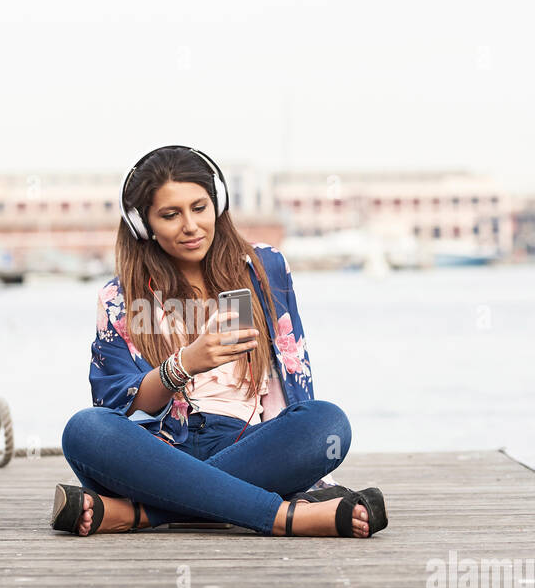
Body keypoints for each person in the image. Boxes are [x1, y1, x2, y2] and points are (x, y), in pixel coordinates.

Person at [54, 145, 388, 538]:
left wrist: (295, 447)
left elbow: (294, 379)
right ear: (143, 224)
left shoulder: (264, 269)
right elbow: (120, 407)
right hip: (157, 453)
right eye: (170, 215)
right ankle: (284, 517)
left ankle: (140, 514)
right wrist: (185, 364)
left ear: (219, 204)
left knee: (327, 423)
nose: (191, 225)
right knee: (85, 429)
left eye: (199, 208)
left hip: (248, 443)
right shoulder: (119, 298)